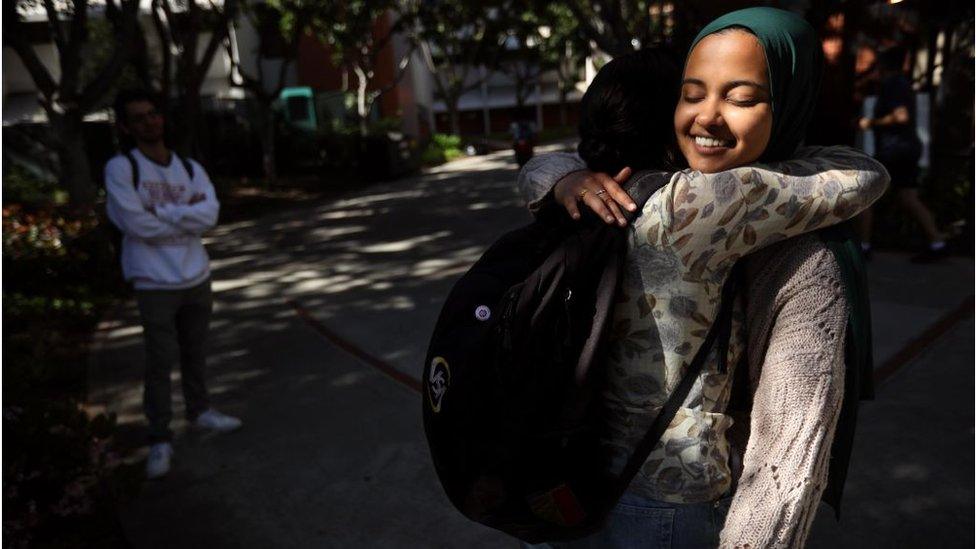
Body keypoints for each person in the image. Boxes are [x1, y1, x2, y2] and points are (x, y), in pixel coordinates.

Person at [518, 8, 888, 547]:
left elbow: (534, 169)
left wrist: (564, 176)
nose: (707, 117)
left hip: (564, 471)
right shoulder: (708, 202)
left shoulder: (592, 197)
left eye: (739, 98)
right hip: (666, 492)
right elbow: (864, 175)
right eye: (692, 95)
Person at [105, 89, 242, 480]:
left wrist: (162, 212)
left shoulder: (188, 167)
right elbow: (134, 224)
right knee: (160, 359)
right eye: (139, 117)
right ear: (126, 127)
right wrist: (185, 214)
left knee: (195, 351)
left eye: (153, 114)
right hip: (153, 280)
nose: (149, 122)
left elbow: (210, 214)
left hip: (195, 274)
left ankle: (200, 411)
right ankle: (160, 437)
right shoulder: (122, 168)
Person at [857, 46, 949, 262]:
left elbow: (901, 116)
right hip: (905, 148)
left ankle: (863, 246)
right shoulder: (902, 84)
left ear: (883, 66)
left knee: (868, 194)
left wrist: (871, 122)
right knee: (908, 197)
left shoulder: (893, 85)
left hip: (894, 150)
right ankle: (937, 242)